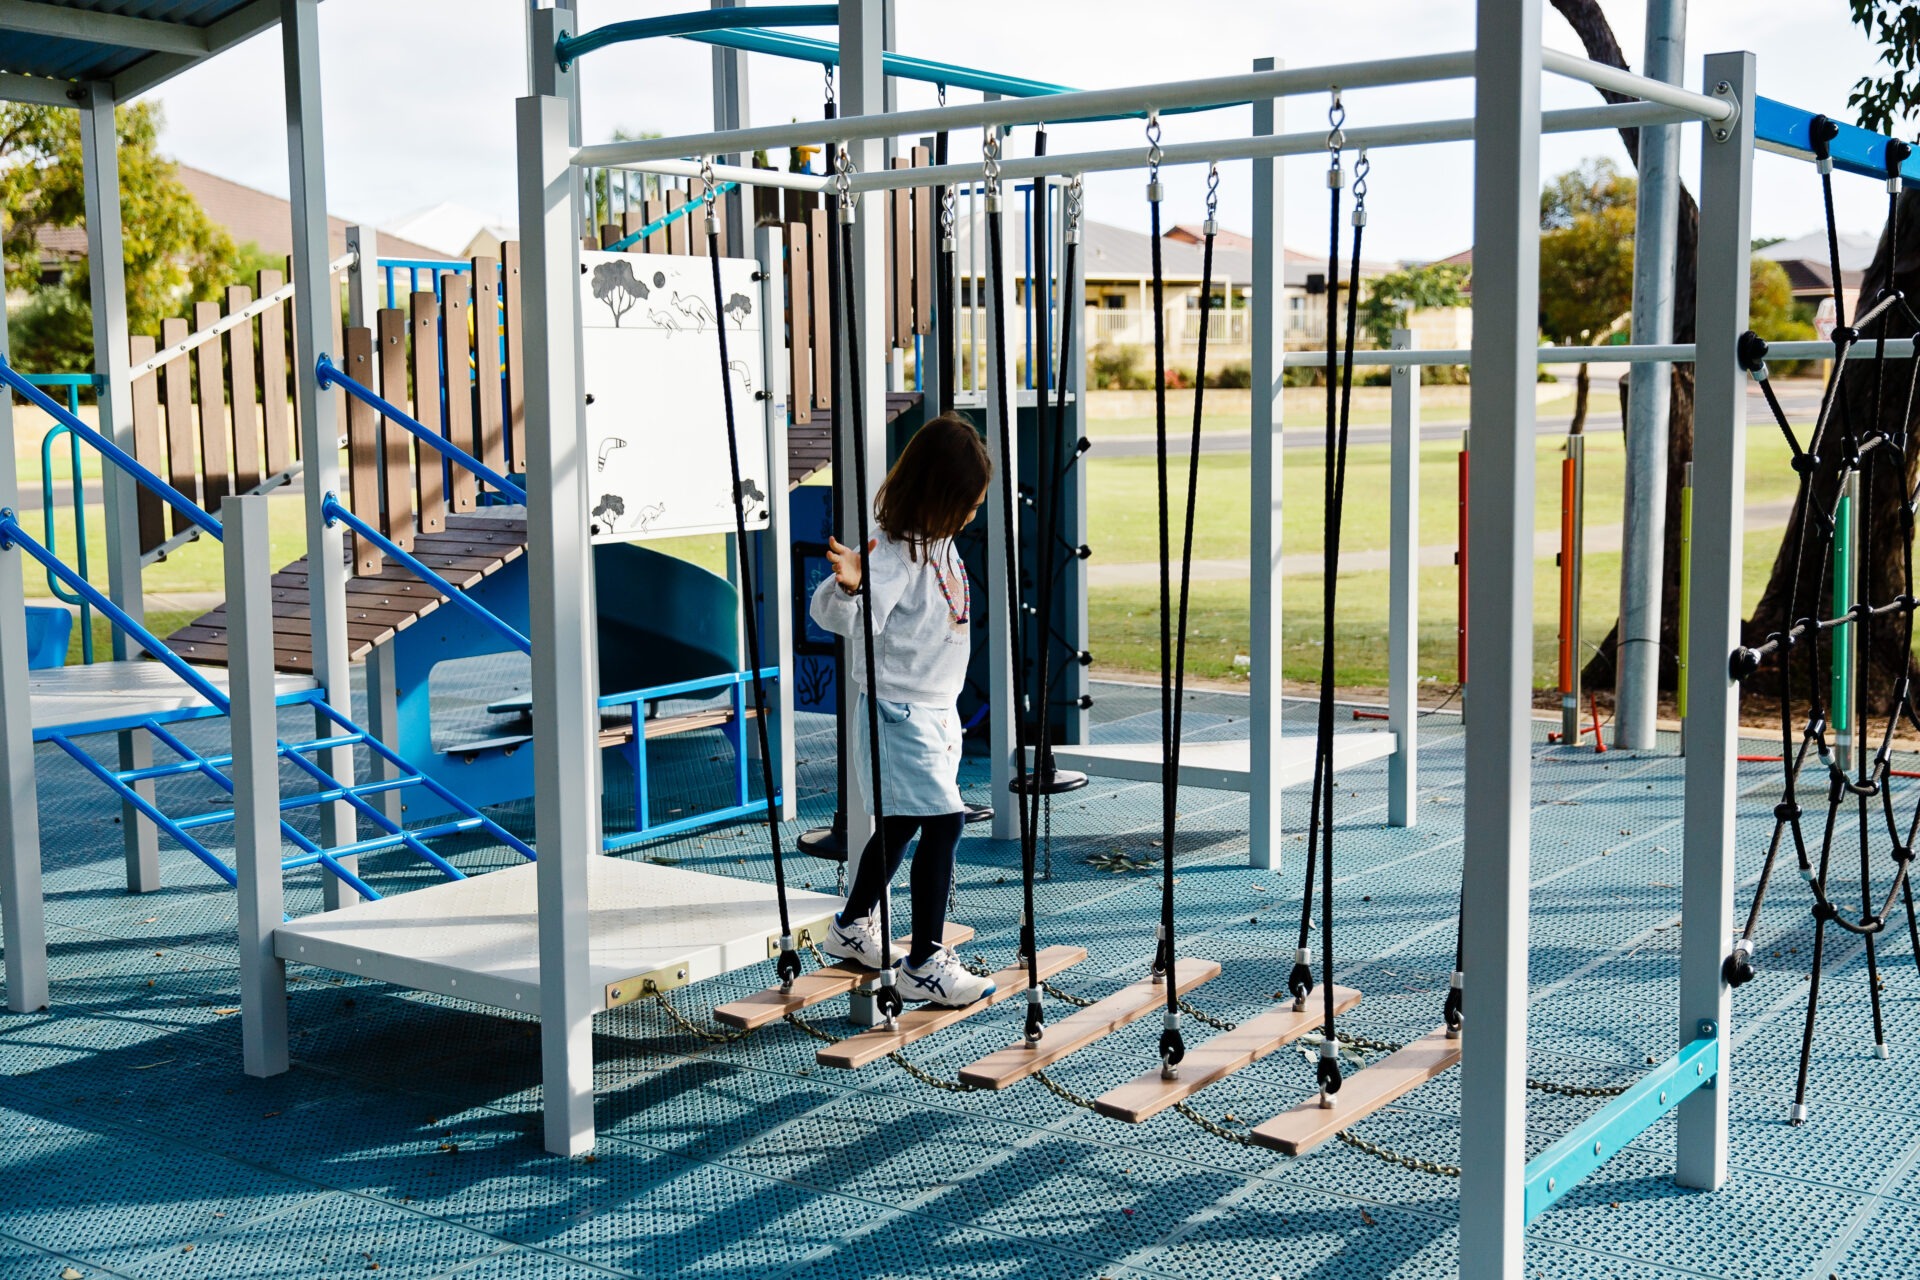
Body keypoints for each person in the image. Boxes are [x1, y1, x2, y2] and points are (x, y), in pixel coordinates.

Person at [810, 414, 994, 1007]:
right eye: (967, 505)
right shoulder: (890, 553)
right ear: (937, 497)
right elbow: (836, 617)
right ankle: (924, 962)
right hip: (899, 714)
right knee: (945, 821)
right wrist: (849, 587)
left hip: (935, 712)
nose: (972, 515)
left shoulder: (938, 542)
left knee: (903, 824)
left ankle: (849, 927)